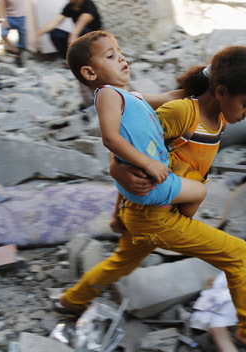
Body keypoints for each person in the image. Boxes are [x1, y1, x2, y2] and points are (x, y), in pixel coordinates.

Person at [61, 35, 246, 352]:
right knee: (238, 254)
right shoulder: (181, 113)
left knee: (121, 261)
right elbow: (134, 148)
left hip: (146, 213)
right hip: (156, 214)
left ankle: (73, 300)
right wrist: (116, 170)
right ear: (223, 92)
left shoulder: (223, 110)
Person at [66, 31, 207, 229]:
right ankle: (175, 228)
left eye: (120, 52)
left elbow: (167, 98)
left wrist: (202, 86)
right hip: (150, 179)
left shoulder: (130, 97)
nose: (121, 58)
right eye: (110, 56)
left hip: (139, 175)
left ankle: (118, 218)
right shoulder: (108, 94)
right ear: (90, 73)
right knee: (199, 192)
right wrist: (149, 164)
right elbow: (110, 139)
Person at [35, 0, 101, 61]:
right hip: (79, 36)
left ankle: (89, 60)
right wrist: (38, 33)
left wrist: (73, 35)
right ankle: (69, 61)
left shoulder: (88, 4)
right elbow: (55, 21)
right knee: (54, 33)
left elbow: (82, 22)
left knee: (83, 31)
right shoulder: (70, 6)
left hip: (93, 39)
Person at [0, 0, 27, 67]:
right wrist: (3, 20)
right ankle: (14, 50)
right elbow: (0, 6)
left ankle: (19, 56)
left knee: (23, 38)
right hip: (9, 17)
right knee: (3, 34)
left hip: (21, 17)